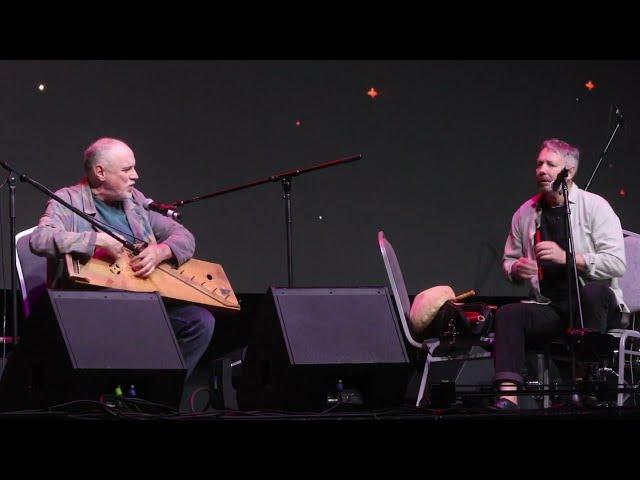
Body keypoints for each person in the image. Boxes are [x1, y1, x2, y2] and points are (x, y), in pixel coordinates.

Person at [29, 137, 215, 379]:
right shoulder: (68, 200)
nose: (135, 175)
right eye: (127, 170)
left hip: (142, 302)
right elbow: (40, 238)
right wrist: (95, 240)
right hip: (90, 308)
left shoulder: (135, 202)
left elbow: (183, 236)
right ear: (100, 172)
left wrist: (162, 251)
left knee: (199, 322)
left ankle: (160, 398)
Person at [492, 138, 627, 409]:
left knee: (591, 293)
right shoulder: (525, 213)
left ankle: (584, 384)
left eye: (550, 164)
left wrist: (567, 258)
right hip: (552, 306)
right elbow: (509, 262)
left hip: (595, 304)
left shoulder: (595, 207)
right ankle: (508, 396)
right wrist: (516, 269)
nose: (541, 169)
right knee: (509, 314)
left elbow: (616, 263)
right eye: (539, 163)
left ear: (570, 171)